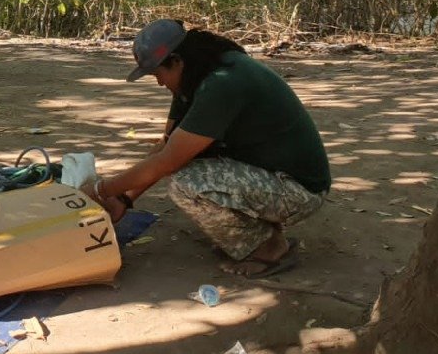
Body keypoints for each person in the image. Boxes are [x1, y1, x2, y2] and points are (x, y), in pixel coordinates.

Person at [87, 19, 330, 277]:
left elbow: (169, 162)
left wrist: (100, 190)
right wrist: (124, 198)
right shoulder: (198, 76)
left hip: (299, 189)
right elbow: (167, 147)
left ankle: (270, 249)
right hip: (273, 174)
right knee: (186, 167)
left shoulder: (222, 84)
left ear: (177, 61)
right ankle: (261, 234)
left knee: (186, 183)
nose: (159, 83)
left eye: (158, 74)